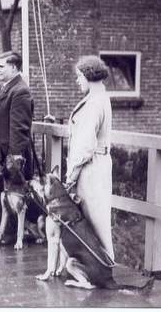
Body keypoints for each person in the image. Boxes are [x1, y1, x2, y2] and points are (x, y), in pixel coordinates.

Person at [0, 51, 33, 244]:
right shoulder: (6, 87)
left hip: (7, 155)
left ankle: (9, 234)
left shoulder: (20, 91)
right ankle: (3, 231)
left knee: (11, 195)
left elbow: (19, 128)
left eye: (1, 67)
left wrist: (15, 159)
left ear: (14, 67)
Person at [66, 55, 114, 259]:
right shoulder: (101, 97)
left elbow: (85, 146)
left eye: (79, 76)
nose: (77, 81)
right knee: (97, 217)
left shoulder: (94, 103)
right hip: (99, 164)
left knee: (95, 219)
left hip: (91, 167)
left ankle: (103, 266)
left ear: (87, 76)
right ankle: (101, 265)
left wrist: (71, 176)